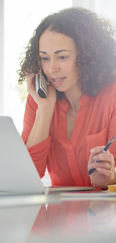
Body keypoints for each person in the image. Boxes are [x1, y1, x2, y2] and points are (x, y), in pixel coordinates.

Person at [18, 7, 116, 189]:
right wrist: (45, 110)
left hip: (106, 212)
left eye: (62, 57)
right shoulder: (39, 101)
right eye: (45, 58)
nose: (51, 69)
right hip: (58, 212)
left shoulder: (112, 94)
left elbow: (112, 175)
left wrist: (107, 179)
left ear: (87, 57)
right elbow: (28, 175)